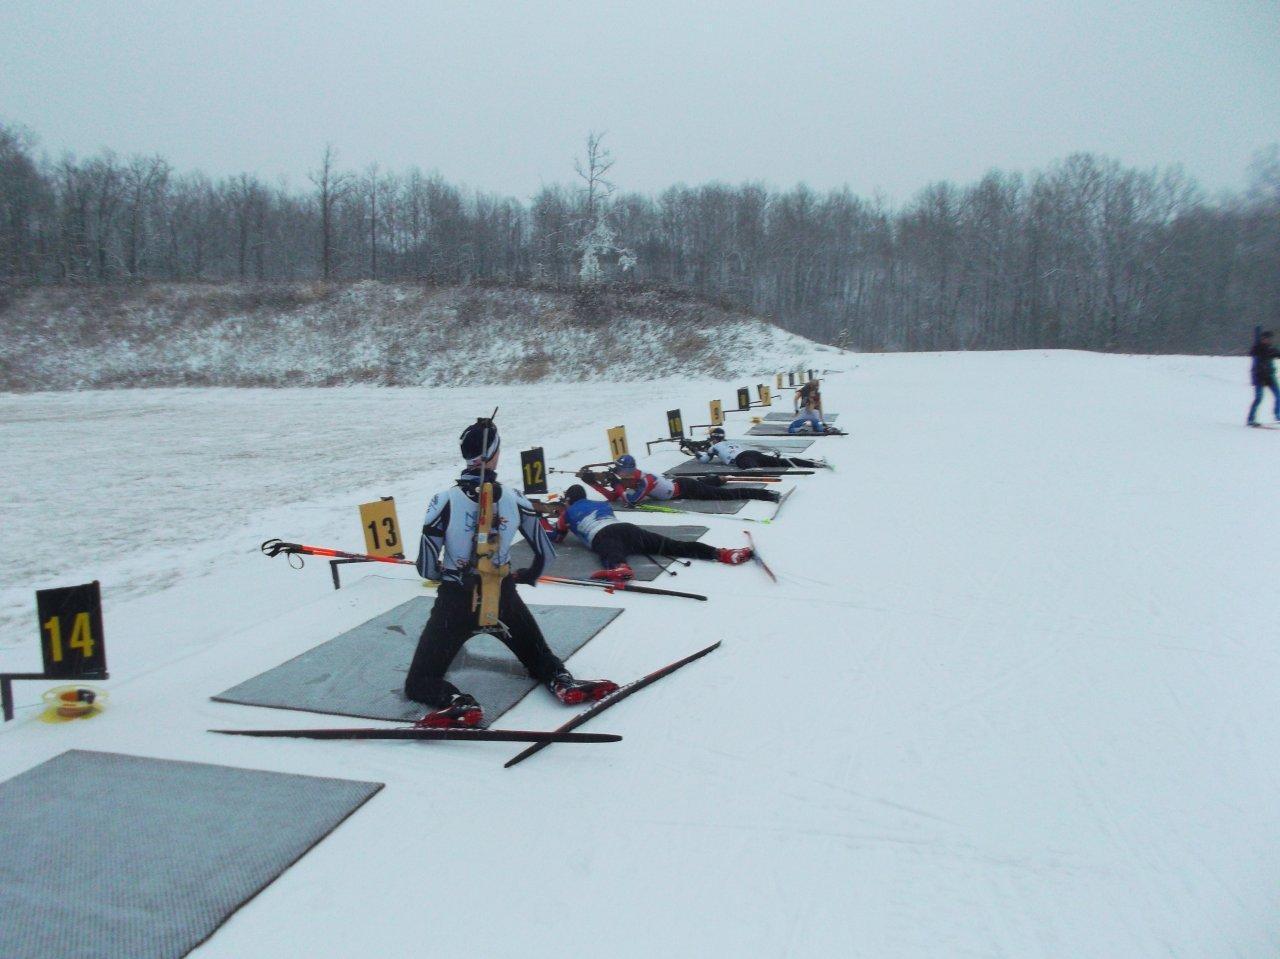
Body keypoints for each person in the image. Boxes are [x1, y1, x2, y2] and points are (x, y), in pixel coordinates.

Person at [404, 417, 616, 727]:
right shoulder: (515, 498)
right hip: (503, 595)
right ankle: (562, 683)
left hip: (455, 600)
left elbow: (425, 566)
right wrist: (527, 575)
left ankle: (459, 703)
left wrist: (445, 574)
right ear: (495, 454)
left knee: (421, 679)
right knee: (541, 660)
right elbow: (546, 553)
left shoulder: (443, 500)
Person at [548, 484, 753, 581]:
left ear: (569, 500)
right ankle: (722, 553)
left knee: (611, 552)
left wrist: (545, 523)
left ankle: (619, 567)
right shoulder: (600, 504)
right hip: (627, 529)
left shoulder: (567, 512)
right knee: (673, 545)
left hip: (602, 535)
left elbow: (558, 537)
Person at [580, 454, 780, 505]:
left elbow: (631, 500)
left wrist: (615, 484)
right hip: (679, 484)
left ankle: (765, 494)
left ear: (628, 470)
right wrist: (592, 483)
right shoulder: (630, 479)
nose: (618, 473)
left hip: (686, 488)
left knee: (724, 496)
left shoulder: (644, 479)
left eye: (619, 471)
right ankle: (718, 478)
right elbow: (613, 497)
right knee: (710, 482)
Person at [681, 427, 829, 470]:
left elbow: (705, 460)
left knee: (750, 469)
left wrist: (695, 452)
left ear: (714, 438)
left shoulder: (715, 447)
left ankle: (755, 471)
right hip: (753, 453)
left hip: (742, 459)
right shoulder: (730, 441)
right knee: (782, 462)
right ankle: (812, 462)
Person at [1248, 330, 1280, 427]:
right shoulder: (1258, 348)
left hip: (1269, 377)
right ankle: (1251, 419)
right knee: (1259, 398)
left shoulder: (1270, 349)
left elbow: (1277, 354)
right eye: (1265, 338)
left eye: (1269, 339)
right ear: (1262, 339)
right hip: (1259, 377)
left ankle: (1278, 415)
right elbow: (1253, 353)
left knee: (1278, 396)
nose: (1267, 340)